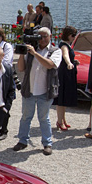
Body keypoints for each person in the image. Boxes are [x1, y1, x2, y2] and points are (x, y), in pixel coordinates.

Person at [13, 27, 62, 155]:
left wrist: (35, 54)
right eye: (40, 36)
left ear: (50, 36)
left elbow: (50, 64)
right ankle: (22, 140)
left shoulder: (55, 51)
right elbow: (21, 68)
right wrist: (22, 54)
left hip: (45, 91)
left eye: (45, 36)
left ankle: (47, 143)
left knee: (44, 118)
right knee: (25, 117)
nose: (42, 39)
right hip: (29, 90)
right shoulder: (30, 51)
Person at [54, 26, 79, 131]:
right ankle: (59, 121)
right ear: (68, 35)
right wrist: (69, 63)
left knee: (64, 98)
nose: (74, 37)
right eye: (73, 35)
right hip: (64, 74)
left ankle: (63, 119)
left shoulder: (67, 45)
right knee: (61, 98)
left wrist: (74, 62)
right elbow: (65, 55)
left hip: (67, 72)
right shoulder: (64, 45)